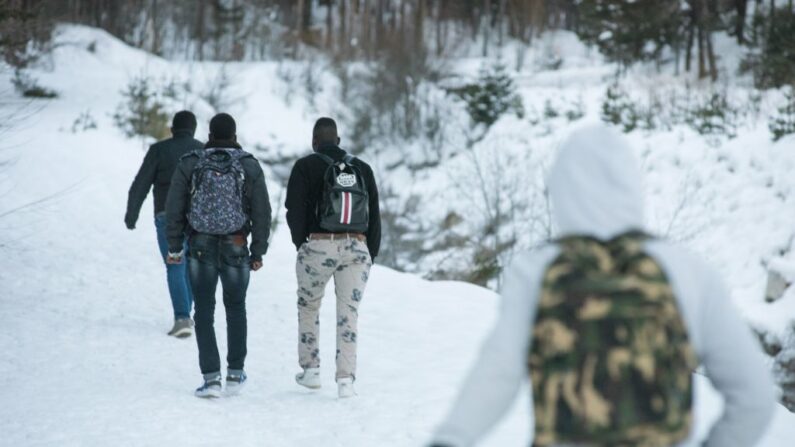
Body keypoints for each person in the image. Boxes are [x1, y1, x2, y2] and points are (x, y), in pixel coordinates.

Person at [430, 125, 776, 447]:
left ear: (562, 191)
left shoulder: (536, 271)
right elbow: (755, 397)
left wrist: (450, 438)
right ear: (633, 186)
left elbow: (498, 374)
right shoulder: (689, 271)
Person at [165, 113, 271, 398]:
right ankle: (235, 374)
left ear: (209, 135)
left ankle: (211, 379)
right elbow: (262, 211)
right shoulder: (248, 165)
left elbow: (174, 207)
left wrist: (175, 246)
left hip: (199, 245)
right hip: (237, 243)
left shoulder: (191, 162)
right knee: (236, 307)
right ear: (235, 136)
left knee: (204, 310)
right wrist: (258, 250)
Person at [285, 117, 381, 398]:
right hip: (357, 247)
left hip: (318, 245)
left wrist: (301, 243)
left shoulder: (305, 166)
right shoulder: (362, 168)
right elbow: (374, 215)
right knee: (348, 313)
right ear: (338, 141)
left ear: (315, 142)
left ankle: (311, 370)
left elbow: (294, 210)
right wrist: (369, 253)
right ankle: (345, 380)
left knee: (309, 305)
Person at [125, 111, 203, 338]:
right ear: (194, 129)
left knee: (176, 264)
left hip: (167, 217)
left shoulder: (158, 150)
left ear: (172, 129)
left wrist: (132, 214)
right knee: (189, 265)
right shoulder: (204, 151)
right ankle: (186, 316)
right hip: (197, 219)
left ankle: (182, 318)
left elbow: (140, 184)